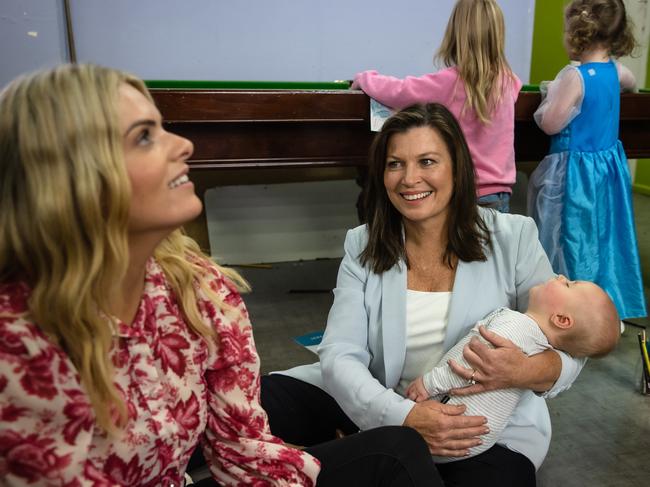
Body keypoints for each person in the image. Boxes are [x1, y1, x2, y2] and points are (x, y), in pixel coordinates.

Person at [0, 64, 445, 487]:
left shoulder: (198, 287)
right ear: (70, 175)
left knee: (394, 451)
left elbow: (241, 448)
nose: (183, 146)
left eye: (428, 162)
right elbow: (341, 354)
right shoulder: (17, 344)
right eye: (143, 137)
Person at [262, 103, 586, 487]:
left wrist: (526, 370)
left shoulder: (513, 237)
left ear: (457, 167)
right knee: (249, 400)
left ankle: (333, 457)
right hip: (383, 401)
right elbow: (341, 353)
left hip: (482, 424)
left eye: (427, 161)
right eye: (395, 164)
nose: (409, 179)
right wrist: (403, 416)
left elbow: (570, 347)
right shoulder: (362, 242)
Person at [406, 274, 620, 462]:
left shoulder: (517, 328)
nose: (562, 276)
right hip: (476, 444)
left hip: (447, 433)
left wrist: (429, 383)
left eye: (569, 285)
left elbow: (468, 369)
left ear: (561, 319)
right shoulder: (538, 344)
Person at [527, 0, 646, 321]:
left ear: (576, 35)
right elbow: (631, 84)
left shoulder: (573, 77)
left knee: (567, 237)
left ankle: (570, 308)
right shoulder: (618, 71)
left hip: (574, 173)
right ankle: (605, 304)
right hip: (607, 171)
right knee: (602, 236)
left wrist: (549, 93)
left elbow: (550, 122)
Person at [351, 0, 521, 213]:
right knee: (492, 247)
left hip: (463, 192)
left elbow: (400, 91)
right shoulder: (509, 81)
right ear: (498, 35)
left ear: (455, 33)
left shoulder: (450, 82)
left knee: (456, 247)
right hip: (499, 193)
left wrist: (365, 78)